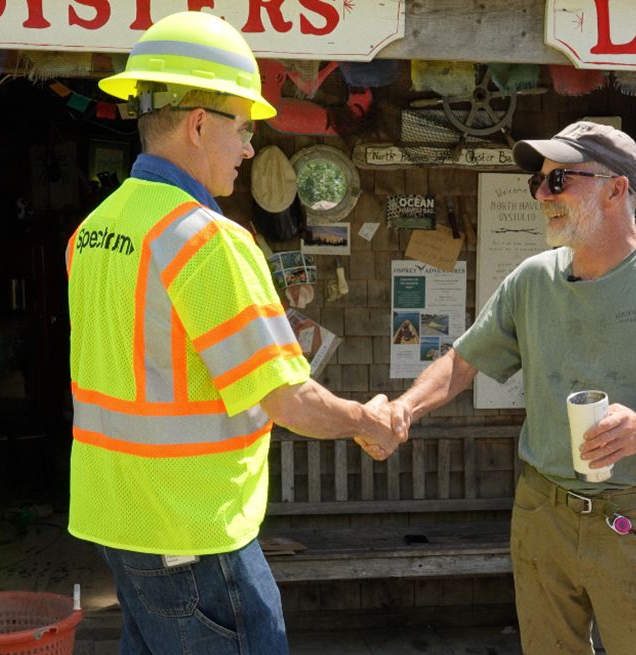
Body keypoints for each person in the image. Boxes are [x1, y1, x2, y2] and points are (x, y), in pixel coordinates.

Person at [65, 12, 400, 655]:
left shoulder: (95, 230)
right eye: (244, 128)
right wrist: (366, 420)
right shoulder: (208, 239)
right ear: (198, 124)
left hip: (120, 522)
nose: (250, 148)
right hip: (195, 535)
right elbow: (289, 399)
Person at [388, 121, 636, 654]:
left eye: (559, 182)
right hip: (541, 513)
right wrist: (402, 410)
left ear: (615, 188)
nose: (542, 195)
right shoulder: (532, 279)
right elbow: (462, 362)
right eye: (538, 183)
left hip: (632, 519)